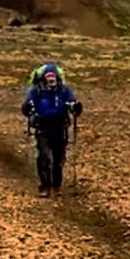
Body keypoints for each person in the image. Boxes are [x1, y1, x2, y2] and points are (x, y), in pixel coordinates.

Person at [21, 63, 83, 196]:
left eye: (53, 77)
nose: (51, 80)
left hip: (60, 127)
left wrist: (75, 107)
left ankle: (56, 185)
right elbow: (27, 107)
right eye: (48, 77)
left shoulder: (63, 90)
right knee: (44, 157)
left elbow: (72, 102)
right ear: (43, 78)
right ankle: (45, 185)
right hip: (43, 128)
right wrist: (28, 108)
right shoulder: (36, 91)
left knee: (58, 158)